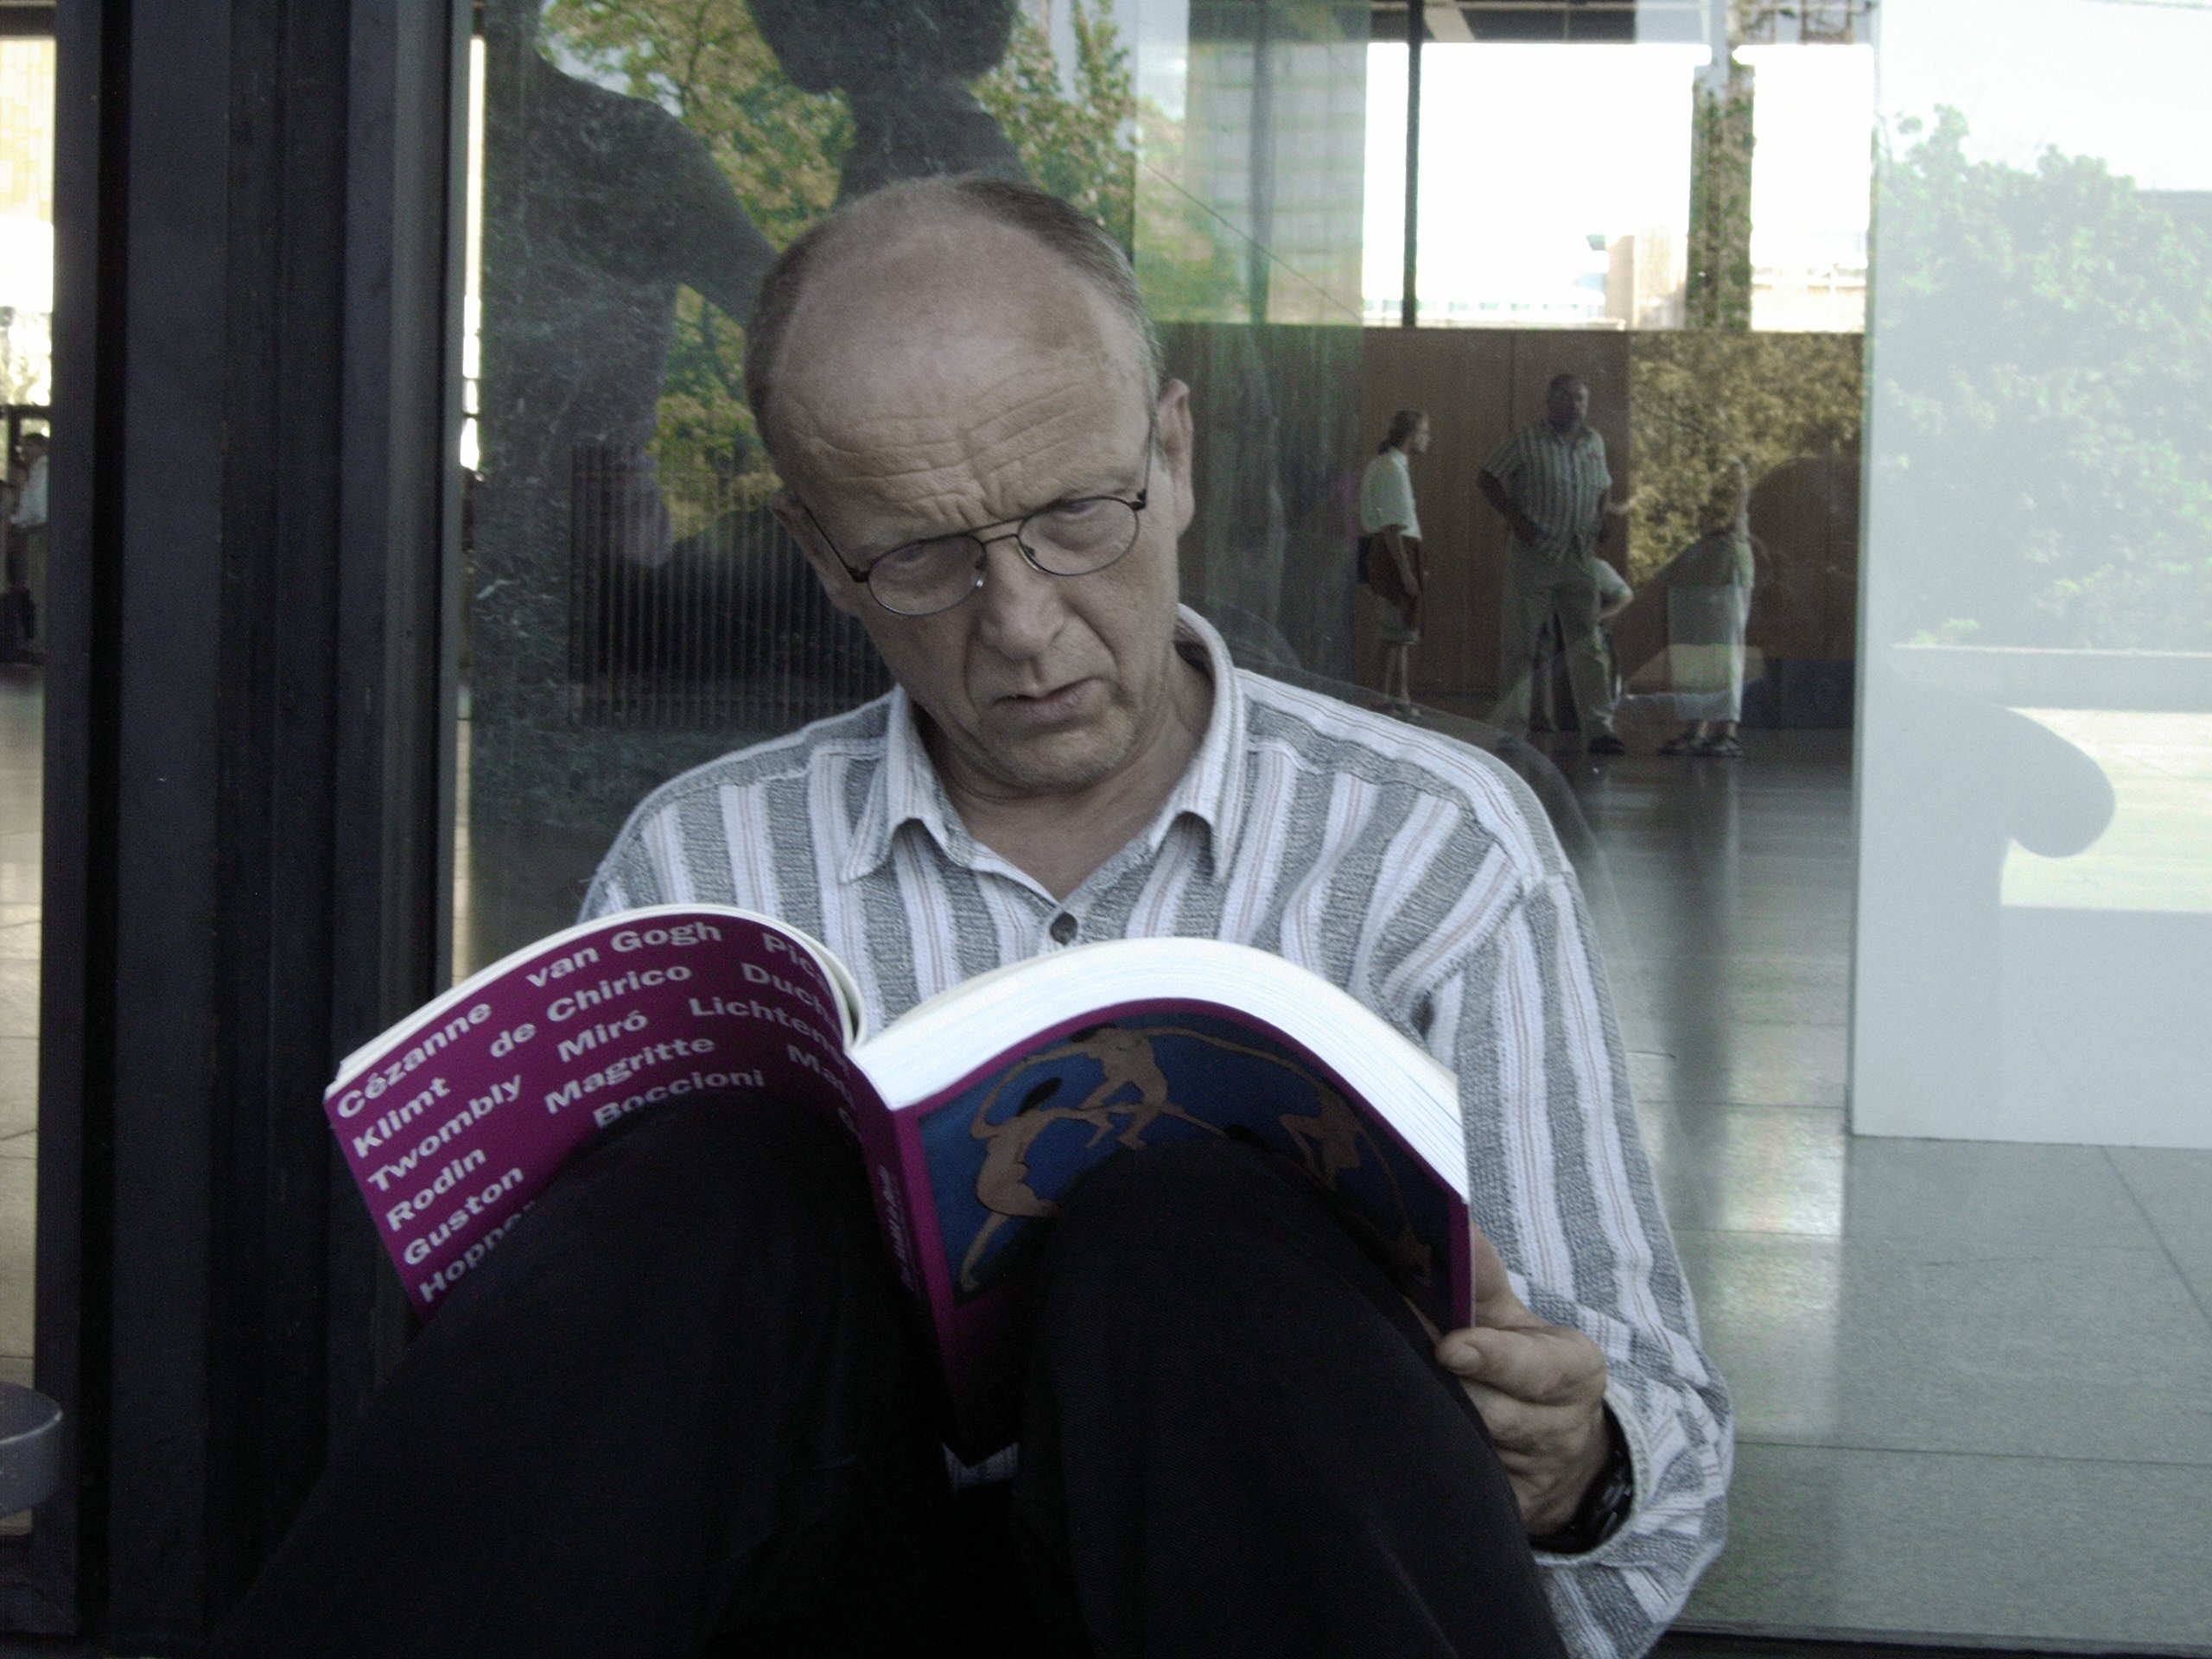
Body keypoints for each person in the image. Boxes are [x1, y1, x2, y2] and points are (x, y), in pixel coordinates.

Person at [216, 180, 1727, 1659]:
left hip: (1253, 1571)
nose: (1020, 624)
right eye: (924, 558)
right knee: (708, 1185)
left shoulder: (1431, 846)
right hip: (832, 1585)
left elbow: (1662, 1455)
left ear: (1176, 454)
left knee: (1189, 1225)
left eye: (1078, 516)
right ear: (824, 559)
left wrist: (1578, 1460)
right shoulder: (705, 859)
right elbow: (593, 1436)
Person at [1480, 376, 1630, 753]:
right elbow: (1488, 477)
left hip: (1579, 555)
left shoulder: (1594, 442)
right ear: (1550, 400)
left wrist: (1602, 519)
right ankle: (1512, 728)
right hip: (1535, 555)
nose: (1576, 405)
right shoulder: (1527, 440)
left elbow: (1605, 485)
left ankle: (1599, 726)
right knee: (1522, 643)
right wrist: (1515, 518)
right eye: (1567, 397)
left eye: (1582, 398)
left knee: (1588, 643)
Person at [1661, 461, 1756, 758]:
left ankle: (1726, 729)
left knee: (1723, 649)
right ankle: (1695, 727)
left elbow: (1726, 518)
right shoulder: (1685, 470)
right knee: (1690, 649)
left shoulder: (1732, 472)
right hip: (1692, 567)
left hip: (1725, 567)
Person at [1357, 408, 1430, 713]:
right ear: (1411, 435)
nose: (1428, 439)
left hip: (1397, 550)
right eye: (1425, 432)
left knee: (1400, 634)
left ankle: (1398, 695)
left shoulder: (1388, 465)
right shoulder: (1391, 469)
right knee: (1395, 632)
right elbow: (1392, 527)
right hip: (1396, 553)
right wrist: (1406, 572)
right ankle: (1384, 695)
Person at [1531, 555, 1632, 734]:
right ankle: (1545, 720)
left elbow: (1624, 596)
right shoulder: (1541, 567)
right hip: (1549, 633)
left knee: (1589, 671)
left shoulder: (1594, 566)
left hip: (1583, 635)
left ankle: (1596, 724)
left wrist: (1596, 618)